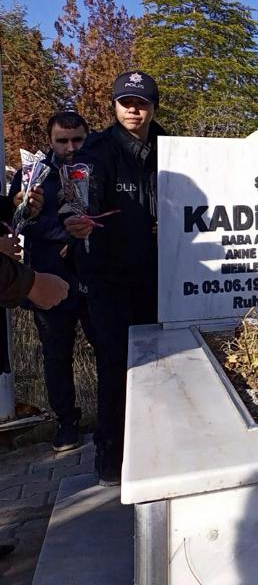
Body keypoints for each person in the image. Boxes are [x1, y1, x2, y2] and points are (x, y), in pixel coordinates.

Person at [64, 70, 164, 486]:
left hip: (159, 277)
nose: (133, 110)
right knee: (114, 365)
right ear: (114, 106)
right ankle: (111, 457)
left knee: (162, 364)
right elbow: (76, 200)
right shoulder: (96, 151)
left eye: (141, 103)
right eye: (126, 102)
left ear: (153, 106)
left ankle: (157, 450)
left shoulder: (170, 147)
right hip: (108, 278)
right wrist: (75, 219)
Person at [9, 111, 94, 451]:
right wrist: (32, 214)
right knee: (56, 354)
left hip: (94, 274)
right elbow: (16, 223)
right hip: (49, 278)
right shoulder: (32, 175)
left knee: (108, 346)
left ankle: (115, 414)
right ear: (50, 140)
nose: (71, 147)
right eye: (63, 141)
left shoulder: (97, 169)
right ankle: (66, 422)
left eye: (78, 140)